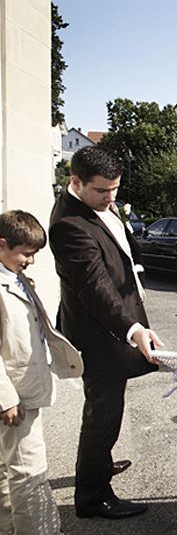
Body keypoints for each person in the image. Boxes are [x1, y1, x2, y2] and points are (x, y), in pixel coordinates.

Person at [49, 145, 163, 519]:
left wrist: (139, 272)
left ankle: (97, 462)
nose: (110, 198)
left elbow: (123, 244)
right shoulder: (68, 225)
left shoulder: (99, 203)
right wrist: (132, 329)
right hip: (98, 333)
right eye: (102, 191)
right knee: (103, 411)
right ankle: (93, 495)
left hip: (113, 323)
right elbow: (95, 288)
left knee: (108, 408)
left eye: (115, 190)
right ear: (76, 181)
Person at [0, 211, 83, 534]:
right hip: (15, 397)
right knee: (29, 474)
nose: (31, 260)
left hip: (22, 393)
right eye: (26, 253)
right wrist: (6, 398)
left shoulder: (13, 276)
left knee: (9, 473)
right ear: (2, 244)